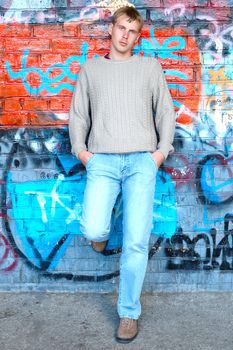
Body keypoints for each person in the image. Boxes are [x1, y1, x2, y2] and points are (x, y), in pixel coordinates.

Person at [69, 6, 175, 343]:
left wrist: (159, 154)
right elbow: (78, 116)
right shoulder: (91, 69)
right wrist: (83, 153)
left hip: (141, 163)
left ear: (138, 36)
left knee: (135, 241)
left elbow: (166, 113)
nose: (125, 35)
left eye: (132, 30)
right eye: (121, 27)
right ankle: (99, 237)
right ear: (111, 29)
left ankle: (128, 313)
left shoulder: (149, 67)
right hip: (102, 162)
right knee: (93, 227)